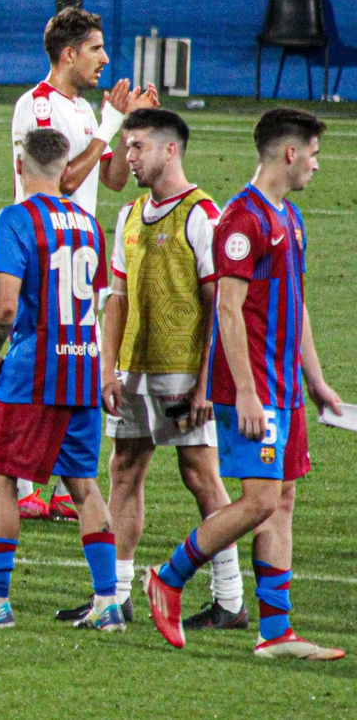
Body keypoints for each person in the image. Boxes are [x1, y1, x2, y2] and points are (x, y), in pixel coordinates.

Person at [145, 108, 346, 660]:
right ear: (289, 153)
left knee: (282, 500)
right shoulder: (243, 220)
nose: (315, 164)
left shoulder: (291, 219)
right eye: (312, 152)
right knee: (258, 501)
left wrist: (317, 380)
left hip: (283, 387)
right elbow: (228, 312)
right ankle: (167, 577)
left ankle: (275, 633)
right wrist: (251, 392)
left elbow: (295, 304)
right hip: (251, 392)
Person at [52, 108, 245, 629]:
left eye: (136, 146)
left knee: (200, 474)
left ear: (169, 149)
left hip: (184, 372)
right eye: (127, 146)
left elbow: (217, 304)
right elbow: (115, 299)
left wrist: (208, 381)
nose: (128, 158)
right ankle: (113, 597)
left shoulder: (204, 215)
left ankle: (230, 598)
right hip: (134, 371)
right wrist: (106, 368)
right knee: (124, 470)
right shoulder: (130, 216)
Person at [0, 128, 122, 631]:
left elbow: (6, 302)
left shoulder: (17, 218)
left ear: (21, 167)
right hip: (82, 365)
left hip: (34, 369)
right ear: (65, 170)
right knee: (83, 484)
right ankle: (108, 600)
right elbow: (100, 301)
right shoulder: (87, 223)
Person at [10, 7, 154, 519]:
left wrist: (128, 123)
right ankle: (23, 485)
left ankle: (60, 488)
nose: (105, 59)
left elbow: (110, 180)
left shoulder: (85, 111)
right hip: (41, 254)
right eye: (95, 49)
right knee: (39, 368)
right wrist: (111, 122)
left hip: (76, 255)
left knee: (74, 368)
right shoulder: (38, 107)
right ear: (68, 54)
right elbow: (63, 181)